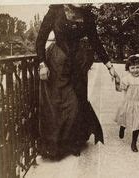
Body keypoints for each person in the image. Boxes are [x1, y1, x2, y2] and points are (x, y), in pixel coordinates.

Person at [36, 4, 118, 160]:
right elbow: (40, 39)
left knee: (76, 103)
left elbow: (96, 42)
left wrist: (110, 67)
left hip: (78, 64)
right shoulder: (55, 10)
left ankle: (73, 143)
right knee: (57, 105)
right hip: (56, 64)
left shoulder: (87, 14)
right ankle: (55, 148)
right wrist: (42, 64)